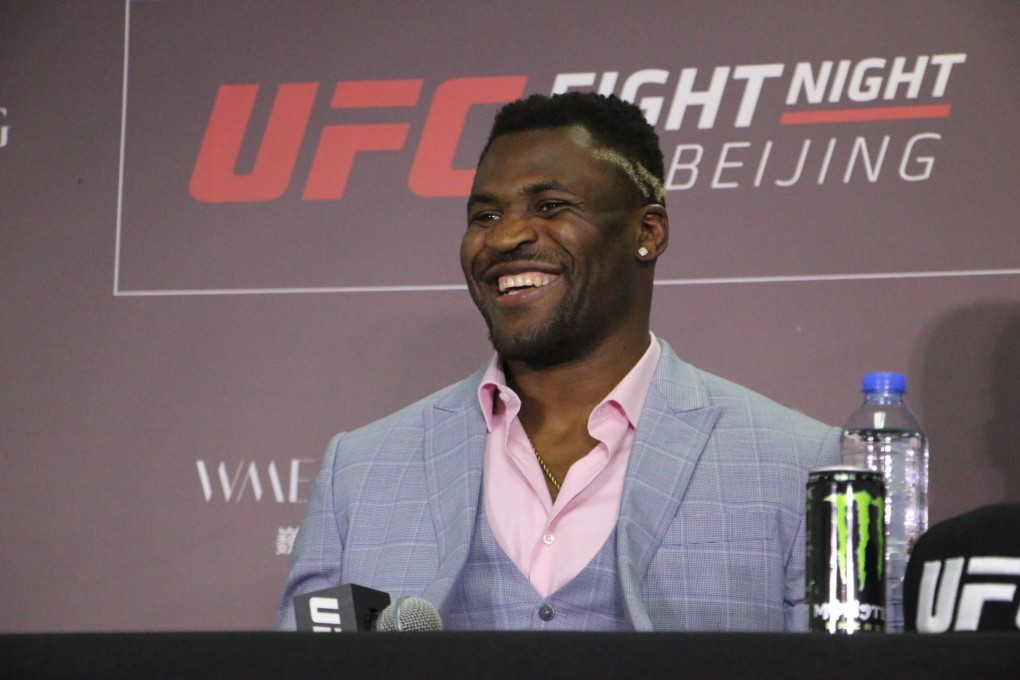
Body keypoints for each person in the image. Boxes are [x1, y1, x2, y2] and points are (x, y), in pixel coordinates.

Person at [278, 92, 840, 631]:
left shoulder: (799, 465)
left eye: (549, 206)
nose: (506, 237)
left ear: (647, 232)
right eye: (485, 215)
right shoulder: (360, 470)